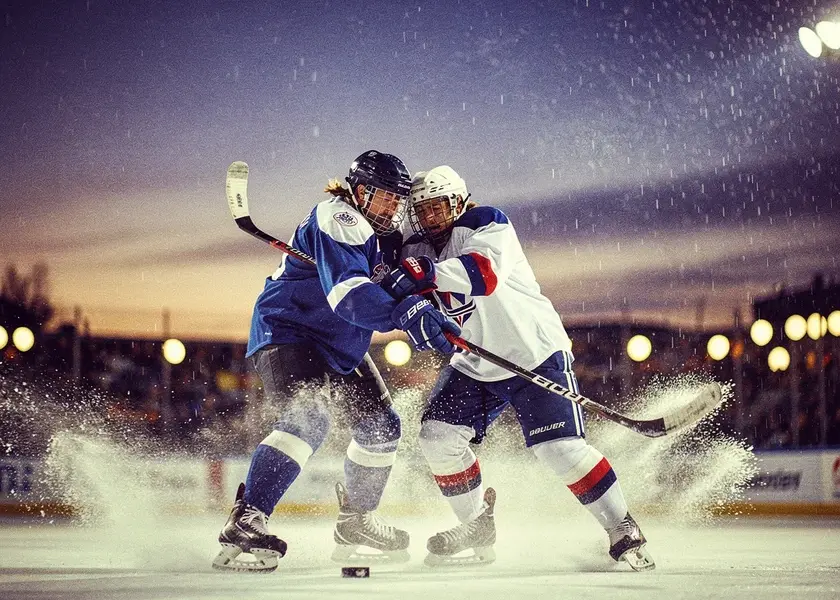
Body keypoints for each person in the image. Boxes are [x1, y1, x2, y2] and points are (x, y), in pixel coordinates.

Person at [380, 165, 654, 571]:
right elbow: (390, 286)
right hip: (474, 361)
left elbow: (483, 276)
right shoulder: (411, 248)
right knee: (437, 438)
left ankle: (621, 527)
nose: (430, 217)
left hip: (531, 352)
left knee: (559, 450)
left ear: (457, 202)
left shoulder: (486, 222)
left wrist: (425, 275)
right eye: (421, 210)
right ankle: (476, 525)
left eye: (437, 206)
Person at [212, 151, 461, 573]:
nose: (392, 207)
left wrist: (415, 300)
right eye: (383, 197)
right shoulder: (338, 216)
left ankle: (356, 521)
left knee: (382, 426)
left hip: (339, 344)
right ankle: (247, 518)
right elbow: (349, 297)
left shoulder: (386, 234)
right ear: (359, 192)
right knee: (309, 416)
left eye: (397, 200)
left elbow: (393, 286)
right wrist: (403, 314)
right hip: (290, 331)